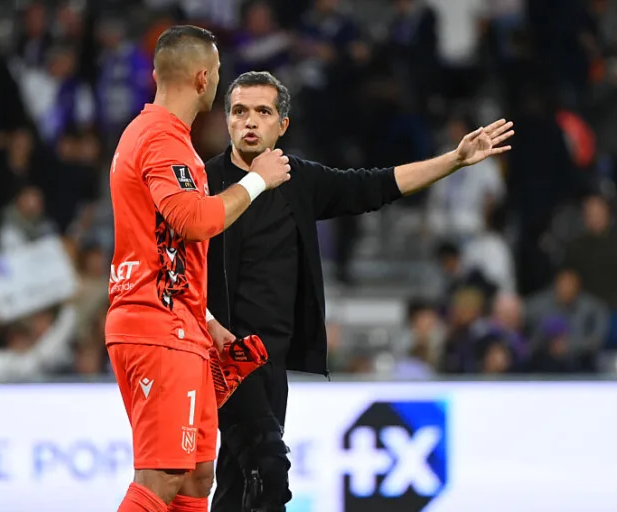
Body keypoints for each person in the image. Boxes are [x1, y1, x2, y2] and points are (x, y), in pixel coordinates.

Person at [204, 71, 514, 511]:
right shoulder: (202, 182)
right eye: (239, 111)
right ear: (228, 120)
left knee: (238, 482)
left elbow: (377, 185)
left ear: (282, 125)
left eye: (263, 111)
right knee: (270, 470)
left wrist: (455, 160)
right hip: (224, 358)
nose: (249, 121)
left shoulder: (301, 181)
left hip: (271, 358)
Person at [105, 27, 292, 512]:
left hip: (177, 325)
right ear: (204, 78)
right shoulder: (162, 140)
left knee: (195, 477)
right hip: (156, 327)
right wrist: (257, 181)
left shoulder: (157, 138)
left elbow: (162, 245)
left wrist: (206, 324)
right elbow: (191, 221)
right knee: (163, 476)